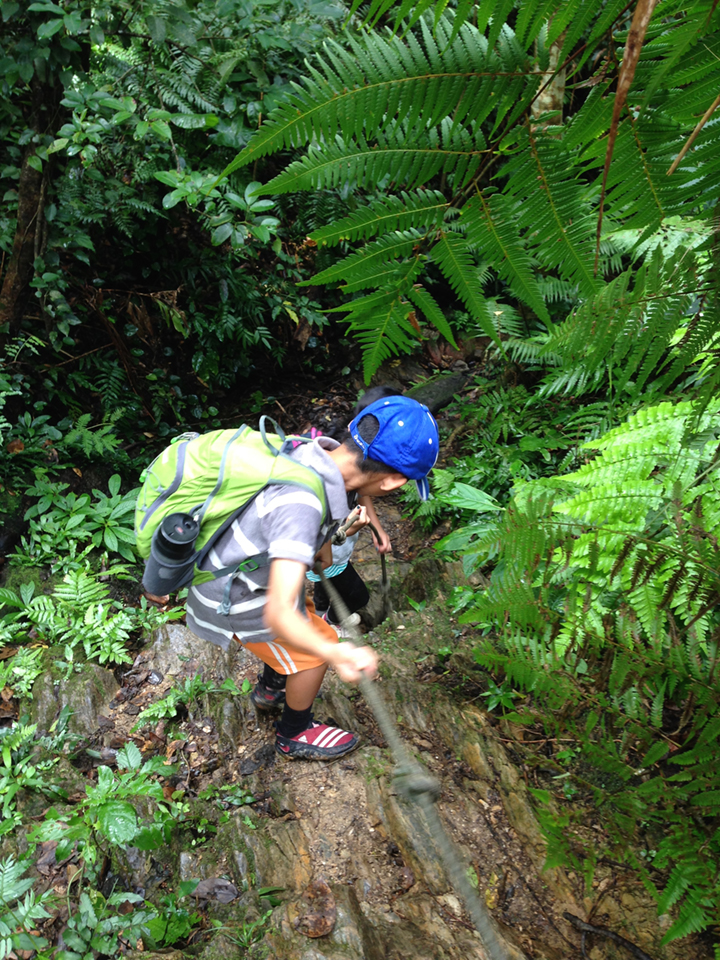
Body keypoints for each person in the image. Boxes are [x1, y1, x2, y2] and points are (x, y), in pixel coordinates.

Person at [185, 395, 440, 761]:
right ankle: (294, 732)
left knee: (304, 618)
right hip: (234, 595)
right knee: (315, 650)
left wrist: (327, 541)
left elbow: (303, 540)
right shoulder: (304, 502)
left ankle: (271, 688)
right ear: (394, 482)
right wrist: (335, 652)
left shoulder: (311, 452)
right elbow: (279, 615)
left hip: (244, 574)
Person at [306, 386, 400, 636]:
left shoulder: (349, 458)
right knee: (357, 596)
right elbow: (310, 534)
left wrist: (377, 530)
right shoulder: (319, 480)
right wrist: (345, 532)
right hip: (328, 554)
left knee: (324, 589)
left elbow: (361, 492)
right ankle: (329, 624)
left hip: (334, 553)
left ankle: (321, 612)